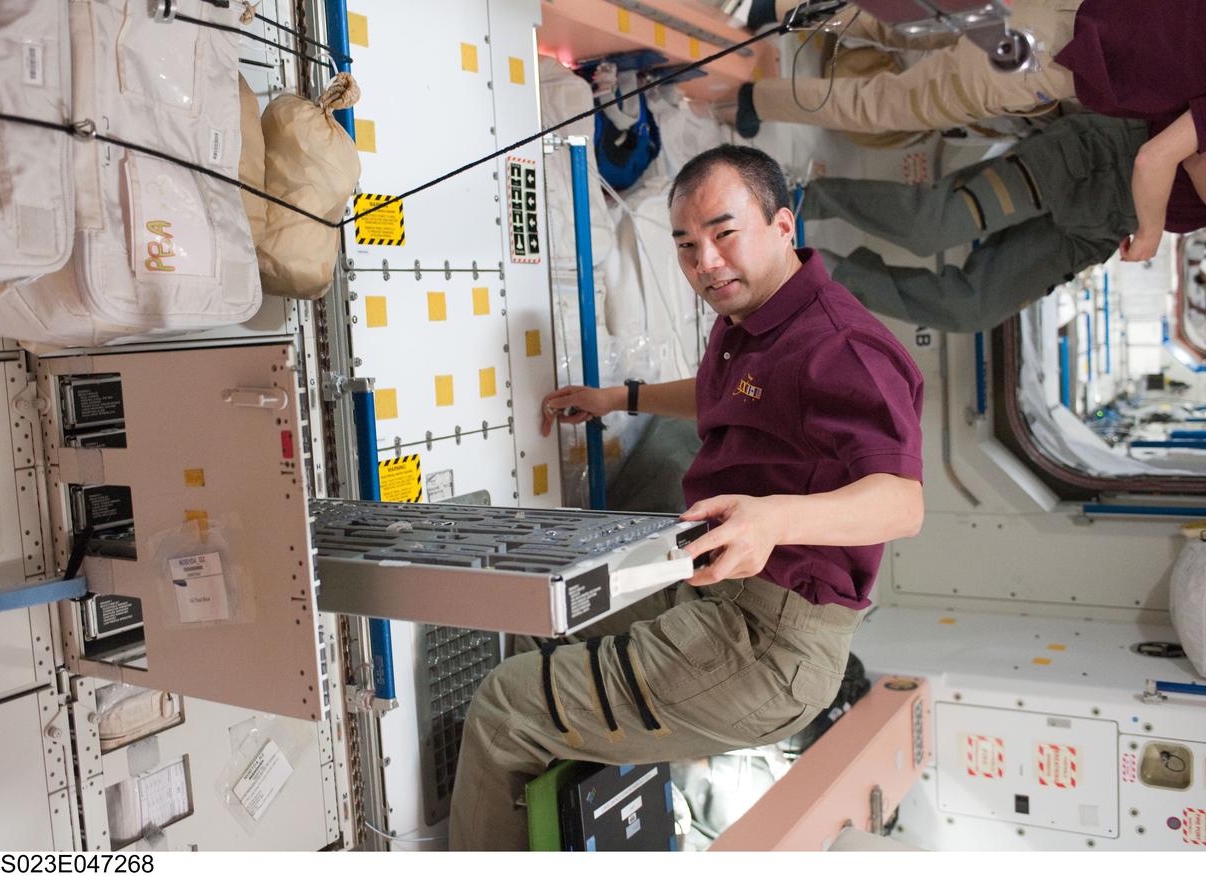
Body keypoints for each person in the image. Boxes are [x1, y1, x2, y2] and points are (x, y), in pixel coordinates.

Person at [447, 145, 925, 850]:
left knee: (504, 707)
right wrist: (619, 397)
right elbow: (722, 397)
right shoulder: (755, 321)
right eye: (685, 244)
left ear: (784, 225)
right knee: (539, 611)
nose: (705, 261)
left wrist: (775, 517)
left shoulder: (840, 347)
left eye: (724, 233)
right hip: (712, 587)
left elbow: (901, 502)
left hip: (768, 644)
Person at [800, 112, 1150, 332]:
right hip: (1099, 163)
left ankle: (835, 274)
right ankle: (802, 198)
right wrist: (1153, 229)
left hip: (1110, 224)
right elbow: (1163, 157)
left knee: (971, 311)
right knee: (931, 228)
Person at [735, 0, 1078, 138]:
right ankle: (757, 100)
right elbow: (1137, 162)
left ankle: (777, 5)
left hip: (1053, 8)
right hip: (1047, 63)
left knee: (909, 19)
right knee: (887, 104)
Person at [1054, 0, 1206, 262]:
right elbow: (1164, 159)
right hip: (1089, 36)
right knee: (969, 75)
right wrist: (1150, 234)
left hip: (1103, 55)